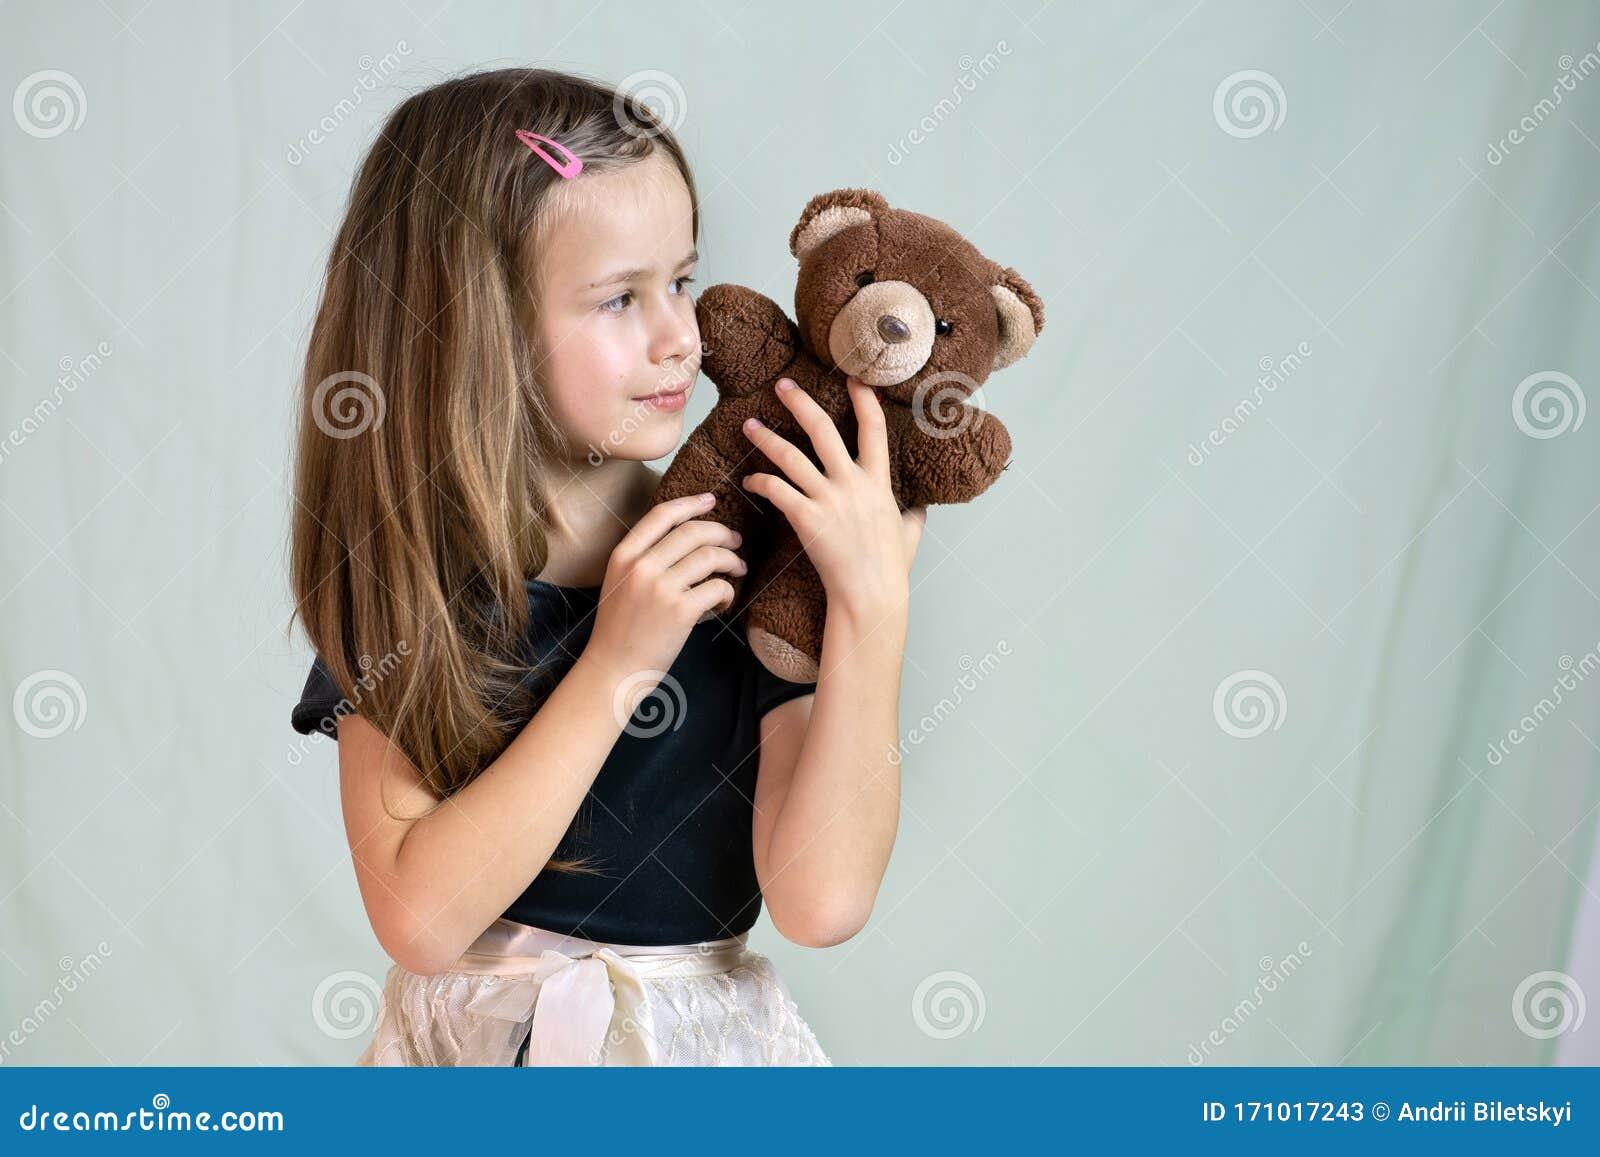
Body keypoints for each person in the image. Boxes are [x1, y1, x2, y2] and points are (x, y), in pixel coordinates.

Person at [286, 66, 925, 1066]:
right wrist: (619, 661)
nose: (682, 334)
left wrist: (871, 611)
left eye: (679, 278)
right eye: (619, 298)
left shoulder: (749, 551)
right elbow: (419, 917)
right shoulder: (410, 585)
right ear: (474, 323)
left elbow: (820, 896)